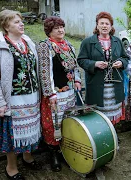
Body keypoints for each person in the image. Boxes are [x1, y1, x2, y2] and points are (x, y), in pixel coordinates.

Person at [0, 9, 42, 180]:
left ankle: (27, 156)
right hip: (11, 99)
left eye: (21, 21)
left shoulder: (28, 43)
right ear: (5, 25)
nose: (21, 24)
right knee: (13, 134)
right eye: (16, 21)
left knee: (30, 130)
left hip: (31, 97)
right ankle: (11, 167)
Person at [37, 16, 81, 172]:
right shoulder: (45, 46)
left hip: (69, 93)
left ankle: (65, 150)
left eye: (62, 27)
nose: (61, 30)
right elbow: (44, 72)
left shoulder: (68, 45)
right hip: (55, 94)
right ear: (49, 31)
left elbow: (74, 67)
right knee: (53, 124)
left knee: (67, 121)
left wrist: (77, 81)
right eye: (56, 28)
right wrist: (50, 93)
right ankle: (53, 153)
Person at [77, 12, 129, 127]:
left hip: (114, 84)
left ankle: (112, 135)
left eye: (107, 23)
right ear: (97, 25)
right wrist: (94, 64)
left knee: (113, 110)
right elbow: (81, 60)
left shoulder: (117, 41)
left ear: (111, 27)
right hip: (97, 83)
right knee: (99, 111)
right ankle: (101, 136)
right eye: (102, 23)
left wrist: (121, 63)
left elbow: (125, 58)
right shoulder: (88, 42)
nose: (104, 26)